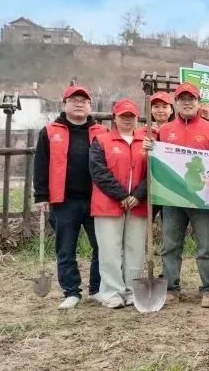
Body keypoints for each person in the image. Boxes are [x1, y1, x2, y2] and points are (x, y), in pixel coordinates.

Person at [143, 82, 209, 308]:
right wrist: (150, 149)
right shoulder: (164, 131)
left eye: (192, 99)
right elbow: (157, 163)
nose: (187, 103)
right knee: (170, 245)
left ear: (198, 103)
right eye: (183, 99)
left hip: (202, 198)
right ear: (176, 103)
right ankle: (171, 287)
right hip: (172, 197)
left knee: (206, 245)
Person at [33, 85, 107, 309]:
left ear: (90, 106)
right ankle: (72, 291)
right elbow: (40, 165)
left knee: (102, 246)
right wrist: (41, 196)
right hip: (63, 200)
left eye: (83, 101)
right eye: (74, 100)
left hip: (96, 199)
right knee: (66, 248)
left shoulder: (102, 132)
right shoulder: (50, 132)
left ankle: (97, 289)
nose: (79, 104)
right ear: (64, 105)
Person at [88, 99, 148, 309]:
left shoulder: (146, 142)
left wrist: (138, 195)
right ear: (115, 117)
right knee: (109, 251)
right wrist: (121, 195)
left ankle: (132, 290)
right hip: (108, 204)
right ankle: (112, 292)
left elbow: (153, 171)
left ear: (137, 118)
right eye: (123, 116)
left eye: (131, 116)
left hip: (138, 204)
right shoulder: (101, 141)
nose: (127, 120)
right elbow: (98, 172)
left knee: (135, 250)